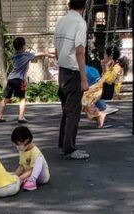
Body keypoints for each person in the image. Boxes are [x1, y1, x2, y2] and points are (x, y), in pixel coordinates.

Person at [54, 0, 90, 160]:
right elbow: (80, 52)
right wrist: (83, 79)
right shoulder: (80, 23)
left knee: (66, 111)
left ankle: (63, 144)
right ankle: (69, 148)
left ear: (69, 5)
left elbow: (56, 49)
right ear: (84, 7)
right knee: (73, 112)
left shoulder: (61, 21)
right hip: (73, 72)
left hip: (62, 71)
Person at [0, 37, 51, 123]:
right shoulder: (27, 55)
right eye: (25, 45)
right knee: (22, 98)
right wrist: (49, 54)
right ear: (23, 47)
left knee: (6, 98)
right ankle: (21, 117)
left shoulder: (14, 55)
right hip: (19, 80)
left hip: (11, 79)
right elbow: (39, 54)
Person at [82, 47, 128, 129]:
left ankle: (100, 112)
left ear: (110, 56)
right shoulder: (112, 65)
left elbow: (109, 80)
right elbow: (104, 78)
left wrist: (105, 67)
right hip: (104, 88)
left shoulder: (117, 67)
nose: (103, 56)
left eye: (105, 54)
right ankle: (100, 115)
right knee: (85, 100)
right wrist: (104, 68)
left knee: (85, 99)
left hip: (109, 90)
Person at [11, 126, 50, 191]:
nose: (17, 146)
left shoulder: (35, 152)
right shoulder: (22, 149)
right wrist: (14, 176)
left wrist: (19, 179)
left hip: (41, 177)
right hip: (28, 173)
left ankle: (32, 181)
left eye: (18, 143)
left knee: (39, 159)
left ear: (27, 140)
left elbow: (32, 170)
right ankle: (26, 179)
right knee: (13, 176)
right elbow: (22, 166)